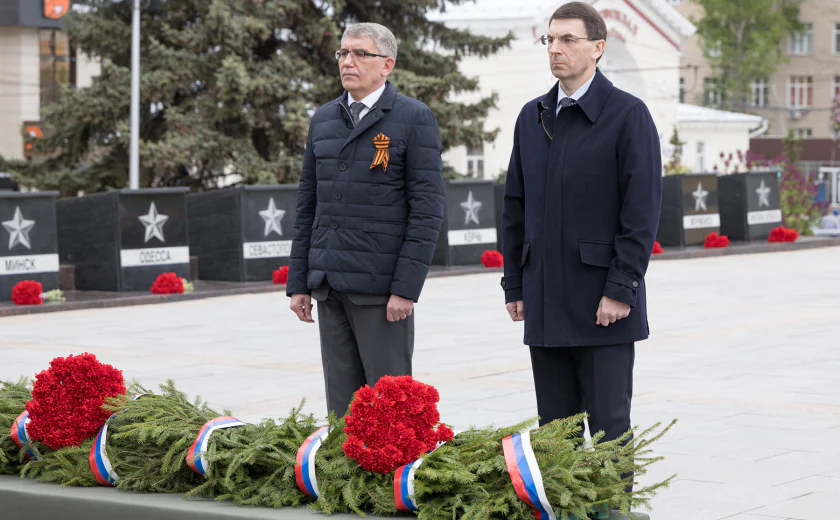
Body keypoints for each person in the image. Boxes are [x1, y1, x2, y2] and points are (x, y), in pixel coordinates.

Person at [500, 1, 662, 466]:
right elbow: (515, 207)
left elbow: (641, 212)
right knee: (555, 435)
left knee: (609, 431)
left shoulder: (627, 115)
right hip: (545, 301)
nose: (556, 48)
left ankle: (615, 506)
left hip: (601, 305)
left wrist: (621, 288)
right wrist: (515, 285)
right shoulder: (533, 116)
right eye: (550, 39)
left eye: (568, 39)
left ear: (598, 48)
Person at [287, 23, 445, 418]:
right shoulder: (323, 119)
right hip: (329, 287)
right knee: (343, 411)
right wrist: (299, 282)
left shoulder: (413, 118)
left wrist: (406, 288)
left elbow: (426, 211)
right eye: (343, 53)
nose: (348, 61)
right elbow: (308, 206)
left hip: (381, 291)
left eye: (360, 54)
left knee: (390, 409)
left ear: (386, 64)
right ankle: (343, 462)